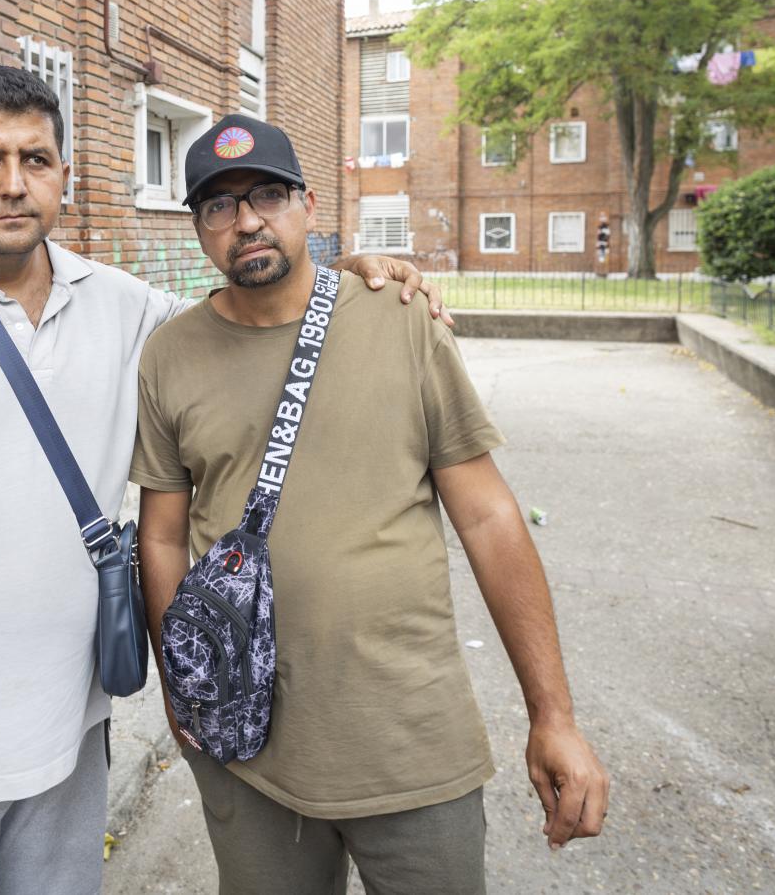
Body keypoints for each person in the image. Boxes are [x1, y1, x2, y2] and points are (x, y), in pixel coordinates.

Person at [0, 67, 447, 894]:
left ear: (65, 175)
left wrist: (347, 273)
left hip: (71, 727)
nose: (14, 184)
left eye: (35, 160)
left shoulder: (121, 308)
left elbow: (248, 316)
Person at [133, 113, 609, 895]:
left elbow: (488, 518)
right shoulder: (170, 354)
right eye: (218, 205)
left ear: (310, 205)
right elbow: (160, 536)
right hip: (249, 748)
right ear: (198, 228)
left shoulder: (399, 318)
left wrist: (552, 715)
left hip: (408, 738)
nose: (246, 221)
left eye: (267, 195)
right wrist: (181, 683)